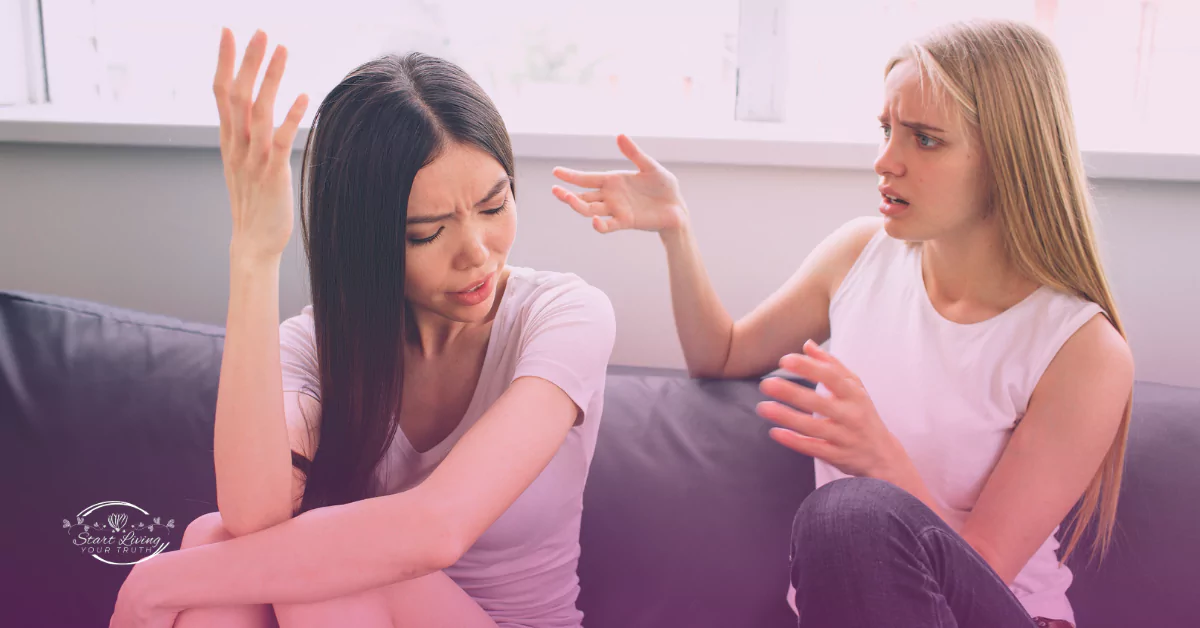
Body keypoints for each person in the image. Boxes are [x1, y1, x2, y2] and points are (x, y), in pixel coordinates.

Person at [551, 18, 1132, 628]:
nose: (885, 160)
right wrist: (677, 230)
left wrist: (881, 462)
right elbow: (720, 357)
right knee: (847, 513)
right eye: (886, 130)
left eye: (925, 139)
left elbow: (982, 572)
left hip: (998, 612)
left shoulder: (1082, 350)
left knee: (848, 511)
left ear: (1009, 158)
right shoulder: (860, 256)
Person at [110, 27, 615, 628]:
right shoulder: (320, 342)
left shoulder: (566, 316)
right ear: (364, 242)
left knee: (299, 579)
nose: (477, 252)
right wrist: (254, 254)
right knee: (219, 544)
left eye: (494, 205)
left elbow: (438, 529)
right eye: (427, 233)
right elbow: (253, 518)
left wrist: (155, 583)